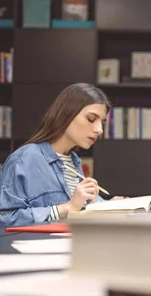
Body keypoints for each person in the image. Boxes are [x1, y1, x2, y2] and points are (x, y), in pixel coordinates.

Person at [0, 83, 123, 228]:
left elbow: (78, 207)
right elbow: (5, 220)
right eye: (91, 119)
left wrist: (110, 205)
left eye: (102, 123)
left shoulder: (73, 160)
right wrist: (66, 208)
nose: (99, 130)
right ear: (66, 114)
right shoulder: (25, 159)